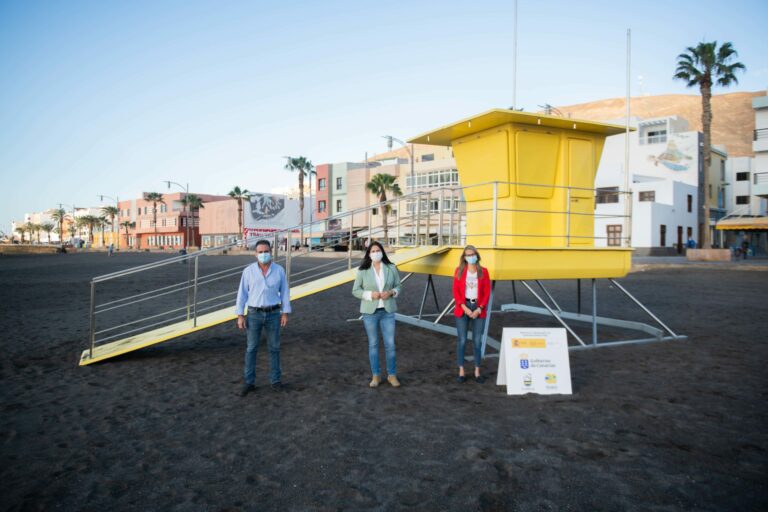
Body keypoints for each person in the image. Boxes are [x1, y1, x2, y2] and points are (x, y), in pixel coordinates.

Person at [235, 239, 291, 396]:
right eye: (260, 252)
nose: (263, 254)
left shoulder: (279, 270)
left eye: (266, 251)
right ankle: (249, 382)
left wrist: (285, 312)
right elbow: (242, 294)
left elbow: (285, 292)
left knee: (274, 348)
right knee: (251, 348)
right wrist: (240, 315)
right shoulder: (248, 271)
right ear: (255, 254)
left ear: (271, 252)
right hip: (254, 314)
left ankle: (275, 380)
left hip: (274, 313)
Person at [352, 241, 402, 388]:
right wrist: (369, 294)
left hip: (388, 311)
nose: (375, 253)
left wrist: (392, 292)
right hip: (370, 312)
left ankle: (392, 375)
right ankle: (376, 375)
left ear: (382, 252)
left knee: (390, 344)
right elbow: (355, 290)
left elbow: (399, 285)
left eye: (378, 250)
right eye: (372, 251)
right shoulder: (362, 270)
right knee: (373, 344)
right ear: (368, 254)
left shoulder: (391, 267)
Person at [452, 245, 491, 383]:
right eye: (467, 255)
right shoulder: (459, 271)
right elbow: (455, 291)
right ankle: (461, 370)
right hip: (463, 307)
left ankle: (477, 371)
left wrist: (479, 308)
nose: (470, 257)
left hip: (478, 308)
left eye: (472, 254)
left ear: (477, 255)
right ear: (464, 257)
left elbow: (487, 292)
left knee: (477, 341)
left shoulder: (484, 272)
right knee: (462, 340)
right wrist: (464, 307)